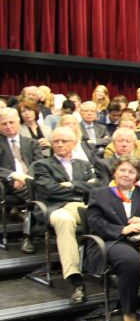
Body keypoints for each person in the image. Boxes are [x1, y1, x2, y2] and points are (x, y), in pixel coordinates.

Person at [86, 155, 140, 321]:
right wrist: (121, 229)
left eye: (131, 171)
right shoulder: (99, 193)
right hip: (109, 241)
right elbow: (95, 222)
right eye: (122, 170)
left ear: (137, 176)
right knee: (131, 261)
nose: (126, 174)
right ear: (114, 172)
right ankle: (129, 313)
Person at [34, 126, 104, 302]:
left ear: (73, 143)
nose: (59, 144)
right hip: (58, 208)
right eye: (56, 141)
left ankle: (108, 269)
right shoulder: (42, 165)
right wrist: (82, 187)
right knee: (64, 220)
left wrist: (71, 185)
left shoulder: (84, 164)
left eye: (64, 141)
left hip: (84, 206)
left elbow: (97, 187)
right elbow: (50, 190)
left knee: (107, 214)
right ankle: (75, 279)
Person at [0, 107, 44, 252]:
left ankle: (29, 234)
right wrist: (13, 175)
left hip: (29, 181)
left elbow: (39, 164)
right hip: (7, 183)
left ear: (19, 122)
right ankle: (29, 236)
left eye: (11, 122)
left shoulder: (31, 142)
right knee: (38, 194)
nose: (8, 126)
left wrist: (26, 177)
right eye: (4, 123)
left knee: (36, 190)